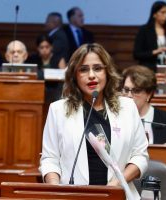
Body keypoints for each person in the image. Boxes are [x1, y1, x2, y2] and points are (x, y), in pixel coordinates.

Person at [39, 43, 148, 199]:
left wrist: (114, 187)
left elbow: (140, 156)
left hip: (118, 195)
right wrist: (56, 190)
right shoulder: (58, 110)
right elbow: (50, 159)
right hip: (72, 197)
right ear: (74, 75)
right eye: (83, 69)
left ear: (107, 72)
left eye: (97, 68)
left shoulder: (127, 107)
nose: (91, 75)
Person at [122, 65, 166, 145]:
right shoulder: (114, 118)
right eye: (126, 90)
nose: (129, 95)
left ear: (149, 94)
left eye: (136, 91)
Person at [133, 1, 166, 72]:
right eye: (162, 12)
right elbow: (137, 54)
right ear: (154, 14)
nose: (165, 15)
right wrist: (155, 52)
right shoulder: (144, 30)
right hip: (148, 68)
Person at [27, 34, 66, 101]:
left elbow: (64, 76)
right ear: (37, 48)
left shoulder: (59, 59)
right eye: (41, 47)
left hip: (55, 89)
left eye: (47, 47)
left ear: (51, 47)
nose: (44, 50)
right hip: (38, 88)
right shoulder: (33, 59)